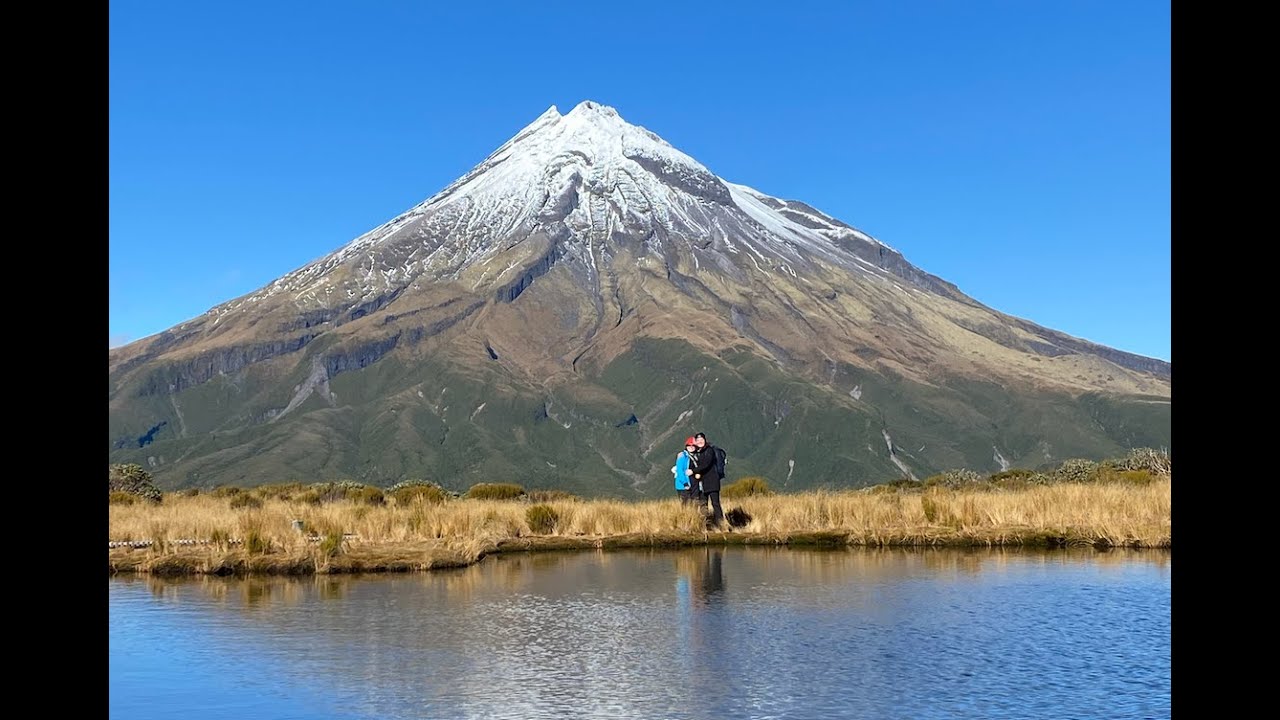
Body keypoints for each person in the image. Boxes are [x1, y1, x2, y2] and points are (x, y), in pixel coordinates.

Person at [688, 432, 725, 528]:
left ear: (705, 440)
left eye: (701, 440)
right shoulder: (698, 452)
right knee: (704, 505)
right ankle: (706, 525)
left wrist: (693, 471)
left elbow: (706, 464)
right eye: (698, 440)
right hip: (703, 483)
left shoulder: (709, 451)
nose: (700, 442)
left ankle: (720, 524)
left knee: (715, 504)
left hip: (712, 481)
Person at [671, 437, 697, 505]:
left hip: (692, 485)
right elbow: (680, 470)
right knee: (686, 504)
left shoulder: (694, 456)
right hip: (683, 486)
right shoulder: (682, 456)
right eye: (689, 445)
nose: (691, 447)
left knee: (692, 504)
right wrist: (685, 483)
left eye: (693, 445)